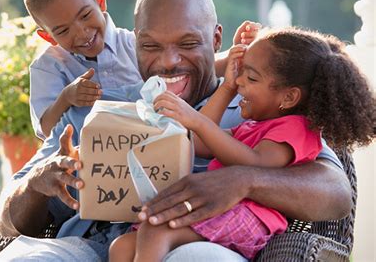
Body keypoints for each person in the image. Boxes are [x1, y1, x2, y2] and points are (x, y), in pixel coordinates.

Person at [0, 0, 353, 261]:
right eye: (151, 46)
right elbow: (7, 223)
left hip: (196, 242)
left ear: (215, 41)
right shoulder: (95, 108)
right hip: (88, 247)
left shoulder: (255, 110)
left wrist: (243, 180)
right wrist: (38, 184)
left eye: (186, 44)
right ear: (135, 43)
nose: (168, 62)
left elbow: (336, 193)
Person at [108, 28, 375, 261]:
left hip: (250, 217)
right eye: (241, 74)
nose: (240, 83)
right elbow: (201, 142)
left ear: (289, 96)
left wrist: (196, 121)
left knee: (156, 229)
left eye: (252, 78)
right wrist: (227, 89)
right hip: (225, 210)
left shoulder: (296, 129)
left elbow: (256, 164)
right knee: (122, 246)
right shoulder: (253, 127)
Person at [25, 0, 260, 139]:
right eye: (63, 30)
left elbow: (198, 68)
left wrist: (238, 54)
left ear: (100, 0)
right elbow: (47, 132)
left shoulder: (129, 44)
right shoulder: (51, 68)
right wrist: (66, 98)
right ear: (47, 36)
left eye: (85, 16)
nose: (81, 33)